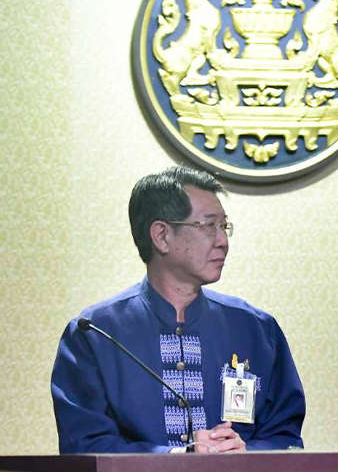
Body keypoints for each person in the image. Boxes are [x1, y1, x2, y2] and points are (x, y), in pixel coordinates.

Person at [51, 166, 305, 453]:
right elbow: (83, 445)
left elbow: (287, 439)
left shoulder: (256, 329)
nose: (223, 241)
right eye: (208, 225)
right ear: (162, 236)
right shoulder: (95, 333)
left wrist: (245, 453)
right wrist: (176, 456)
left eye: (224, 227)